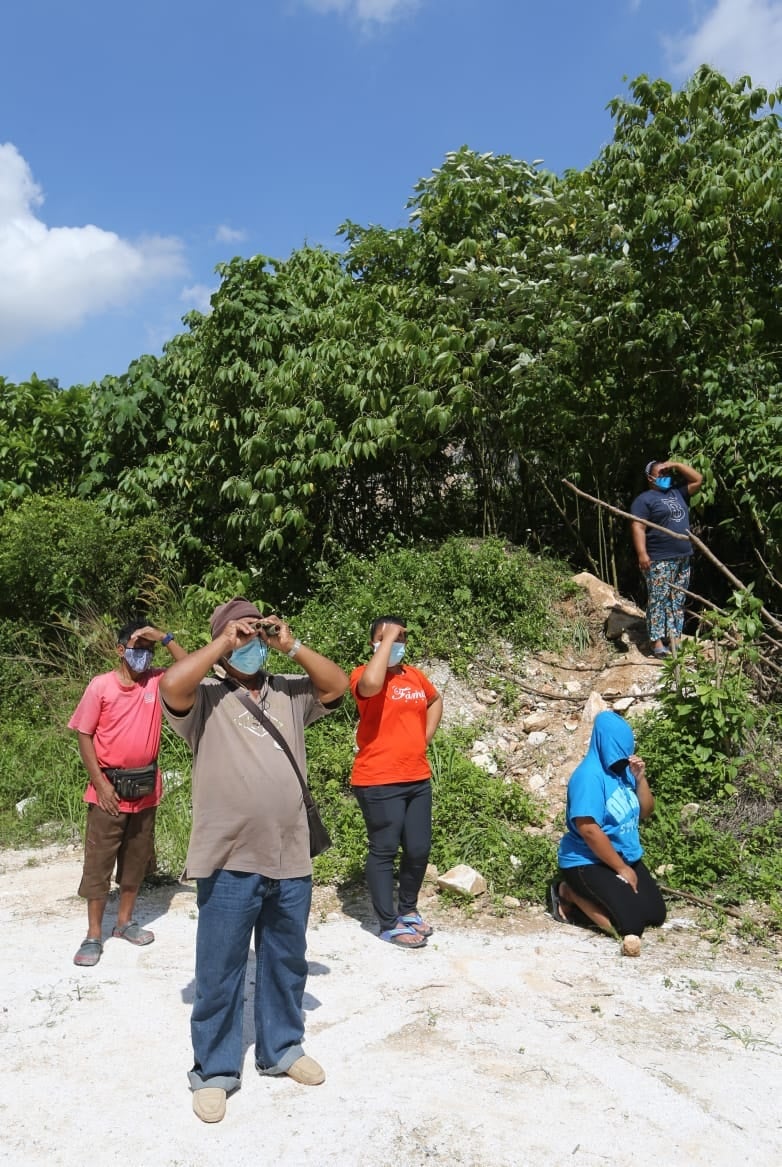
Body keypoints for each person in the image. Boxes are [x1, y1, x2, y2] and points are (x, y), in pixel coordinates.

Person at [158, 597, 349, 1124]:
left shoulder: (289, 691)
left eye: (257, 633)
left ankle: (282, 1048)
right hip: (228, 857)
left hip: (290, 856)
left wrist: (293, 645)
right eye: (240, 634)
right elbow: (169, 686)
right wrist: (224, 643)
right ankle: (215, 1071)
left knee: (286, 960)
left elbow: (338, 687)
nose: (251, 643)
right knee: (219, 970)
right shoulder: (206, 697)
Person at [68, 621, 186, 968]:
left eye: (149, 651)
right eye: (137, 648)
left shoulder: (156, 681)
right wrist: (101, 784)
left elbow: (189, 668)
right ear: (120, 650)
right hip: (108, 789)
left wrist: (163, 636)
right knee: (99, 862)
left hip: (145, 788)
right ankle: (93, 934)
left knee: (136, 860)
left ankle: (124, 922)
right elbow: (84, 734)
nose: (143, 656)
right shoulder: (100, 686)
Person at [350, 616, 443, 949]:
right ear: (374, 642)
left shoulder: (414, 676)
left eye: (402, 636)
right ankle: (388, 923)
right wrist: (387, 642)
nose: (396, 641)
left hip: (416, 776)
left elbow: (434, 700)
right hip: (378, 779)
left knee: (418, 849)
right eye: (387, 636)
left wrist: (424, 737)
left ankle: (408, 910)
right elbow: (372, 686)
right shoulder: (363, 674)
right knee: (384, 849)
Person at [550, 710, 666, 955]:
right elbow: (589, 830)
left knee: (655, 915)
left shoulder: (624, 771)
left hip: (625, 855)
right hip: (587, 860)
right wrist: (621, 869)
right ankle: (568, 893)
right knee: (630, 926)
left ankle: (613, 893)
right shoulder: (588, 777)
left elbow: (645, 812)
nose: (622, 758)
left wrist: (640, 779)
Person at [630, 457, 703, 657]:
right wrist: (642, 553)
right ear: (649, 478)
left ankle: (675, 638)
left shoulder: (677, 493)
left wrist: (677, 465)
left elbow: (698, 479)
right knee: (658, 600)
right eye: (660, 473)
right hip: (659, 558)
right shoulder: (644, 500)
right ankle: (656, 643)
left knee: (677, 600)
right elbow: (638, 526)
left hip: (683, 556)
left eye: (666, 473)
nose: (665, 476)